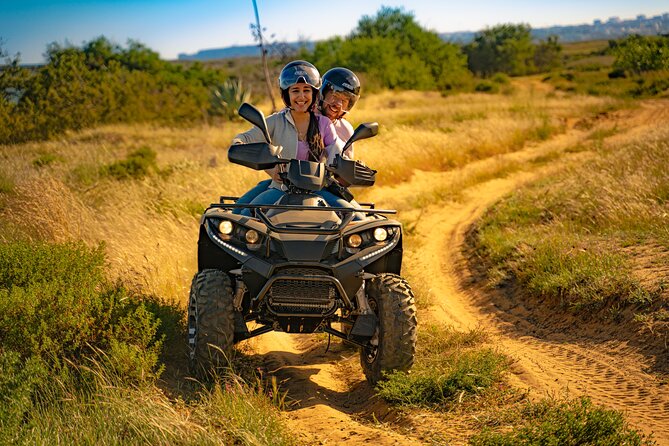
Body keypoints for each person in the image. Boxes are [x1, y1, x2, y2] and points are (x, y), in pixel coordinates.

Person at [231, 60, 349, 215]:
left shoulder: (324, 123)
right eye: (295, 91)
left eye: (306, 90)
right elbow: (241, 141)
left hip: (318, 189)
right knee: (242, 217)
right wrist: (270, 167)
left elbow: (336, 151)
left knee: (355, 215)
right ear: (286, 94)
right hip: (281, 188)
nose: (301, 96)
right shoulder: (274, 121)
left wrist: (345, 166)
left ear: (314, 93)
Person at [318, 67, 361, 160]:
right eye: (335, 96)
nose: (338, 104)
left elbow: (347, 167)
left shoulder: (346, 129)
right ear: (322, 93)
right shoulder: (304, 118)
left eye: (344, 100)